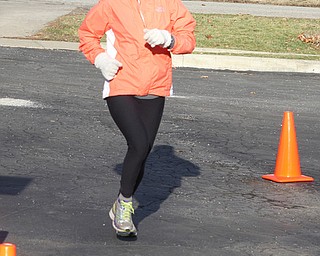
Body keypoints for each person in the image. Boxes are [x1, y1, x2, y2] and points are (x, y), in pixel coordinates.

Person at [78, 0, 196, 236]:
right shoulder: (111, 3)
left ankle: (123, 200)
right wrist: (101, 60)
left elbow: (188, 40)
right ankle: (124, 208)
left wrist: (168, 39)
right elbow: (87, 34)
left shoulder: (170, 4)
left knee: (142, 152)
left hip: (156, 86)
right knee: (139, 144)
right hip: (121, 82)